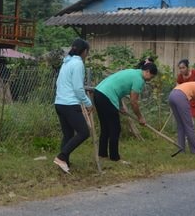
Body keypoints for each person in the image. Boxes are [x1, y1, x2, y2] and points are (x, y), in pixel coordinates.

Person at [93, 59, 157, 163]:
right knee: (115, 128)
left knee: (105, 127)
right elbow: (134, 102)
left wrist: (119, 106)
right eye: (152, 77)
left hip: (98, 93)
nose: (150, 80)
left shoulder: (133, 72)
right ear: (147, 72)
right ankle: (115, 158)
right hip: (107, 96)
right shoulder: (139, 79)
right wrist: (140, 117)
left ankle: (102, 154)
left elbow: (117, 86)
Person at [53, 38, 92, 174]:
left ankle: (65, 163)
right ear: (84, 51)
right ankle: (61, 157)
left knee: (68, 134)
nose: (87, 55)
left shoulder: (66, 62)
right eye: (87, 52)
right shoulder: (78, 64)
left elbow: (58, 83)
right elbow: (78, 88)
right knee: (84, 132)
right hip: (70, 104)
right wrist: (88, 103)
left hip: (59, 103)